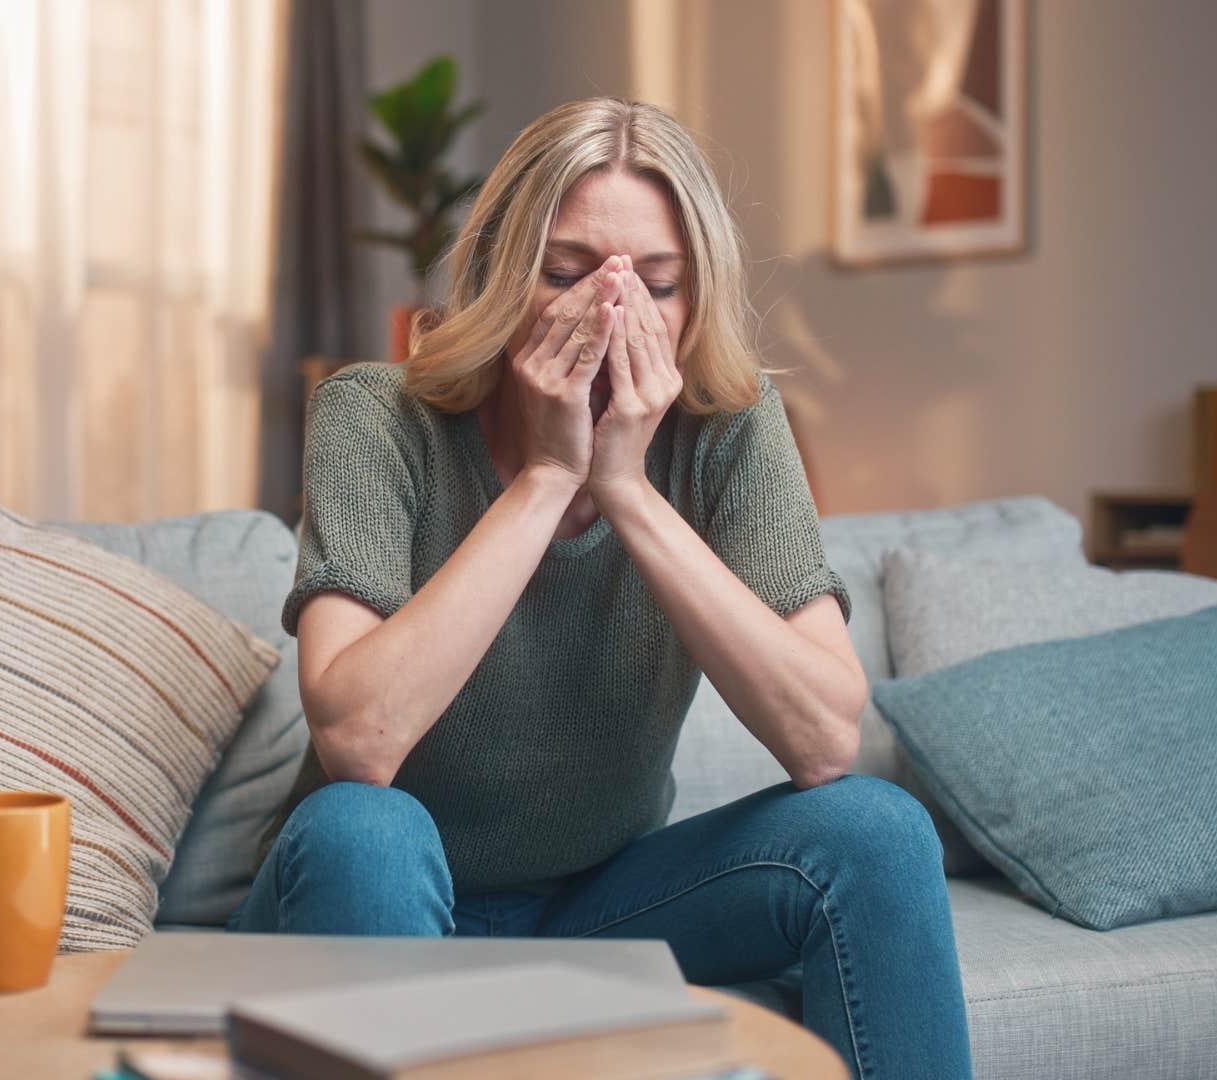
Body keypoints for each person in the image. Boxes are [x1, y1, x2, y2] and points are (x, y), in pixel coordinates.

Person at [226, 96, 972, 1080]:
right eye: (567, 274)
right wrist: (544, 479)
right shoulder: (375, 417)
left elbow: (825, 738)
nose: (610, 314)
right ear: (499, 271)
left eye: (656, 286)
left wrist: (624, 488)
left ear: (697, 297)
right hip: (371, 888)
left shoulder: (732, 430)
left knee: (874, 833)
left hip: (597, 912)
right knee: (366, 826)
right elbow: (359, 742)